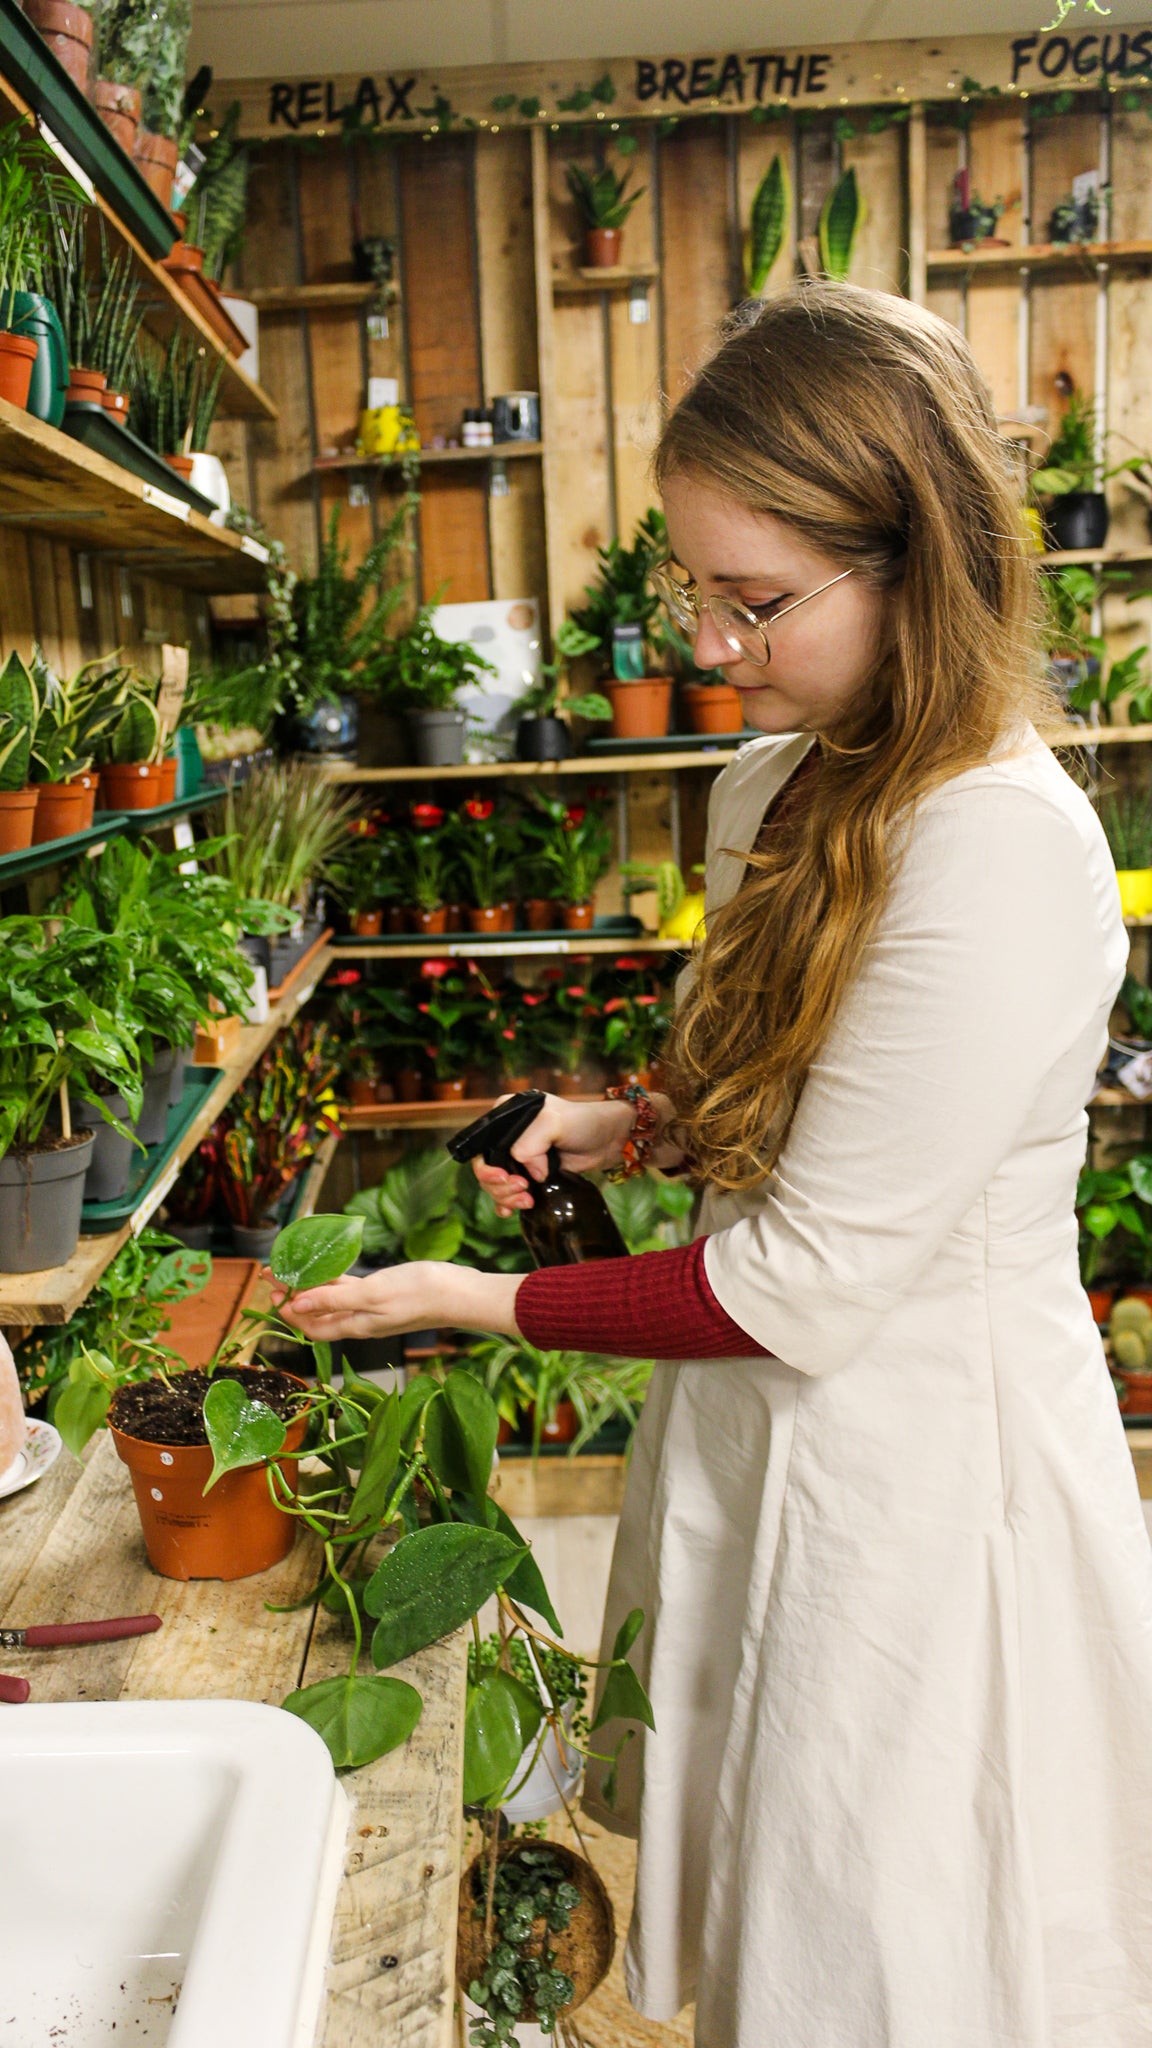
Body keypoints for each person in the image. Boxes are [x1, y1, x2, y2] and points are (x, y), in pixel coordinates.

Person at [275, 283, 1152, 2046]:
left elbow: (805, 1277)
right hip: (762, 1429)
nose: (716, 642)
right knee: (777, 1873)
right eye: (701, 588)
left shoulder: (999, 848)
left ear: (925, 565)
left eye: (760, 601)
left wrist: (485, 1300)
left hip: (920, 1475)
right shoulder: (781, 781)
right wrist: (632, 1121)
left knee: (902, 1921)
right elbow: (817, 1102)